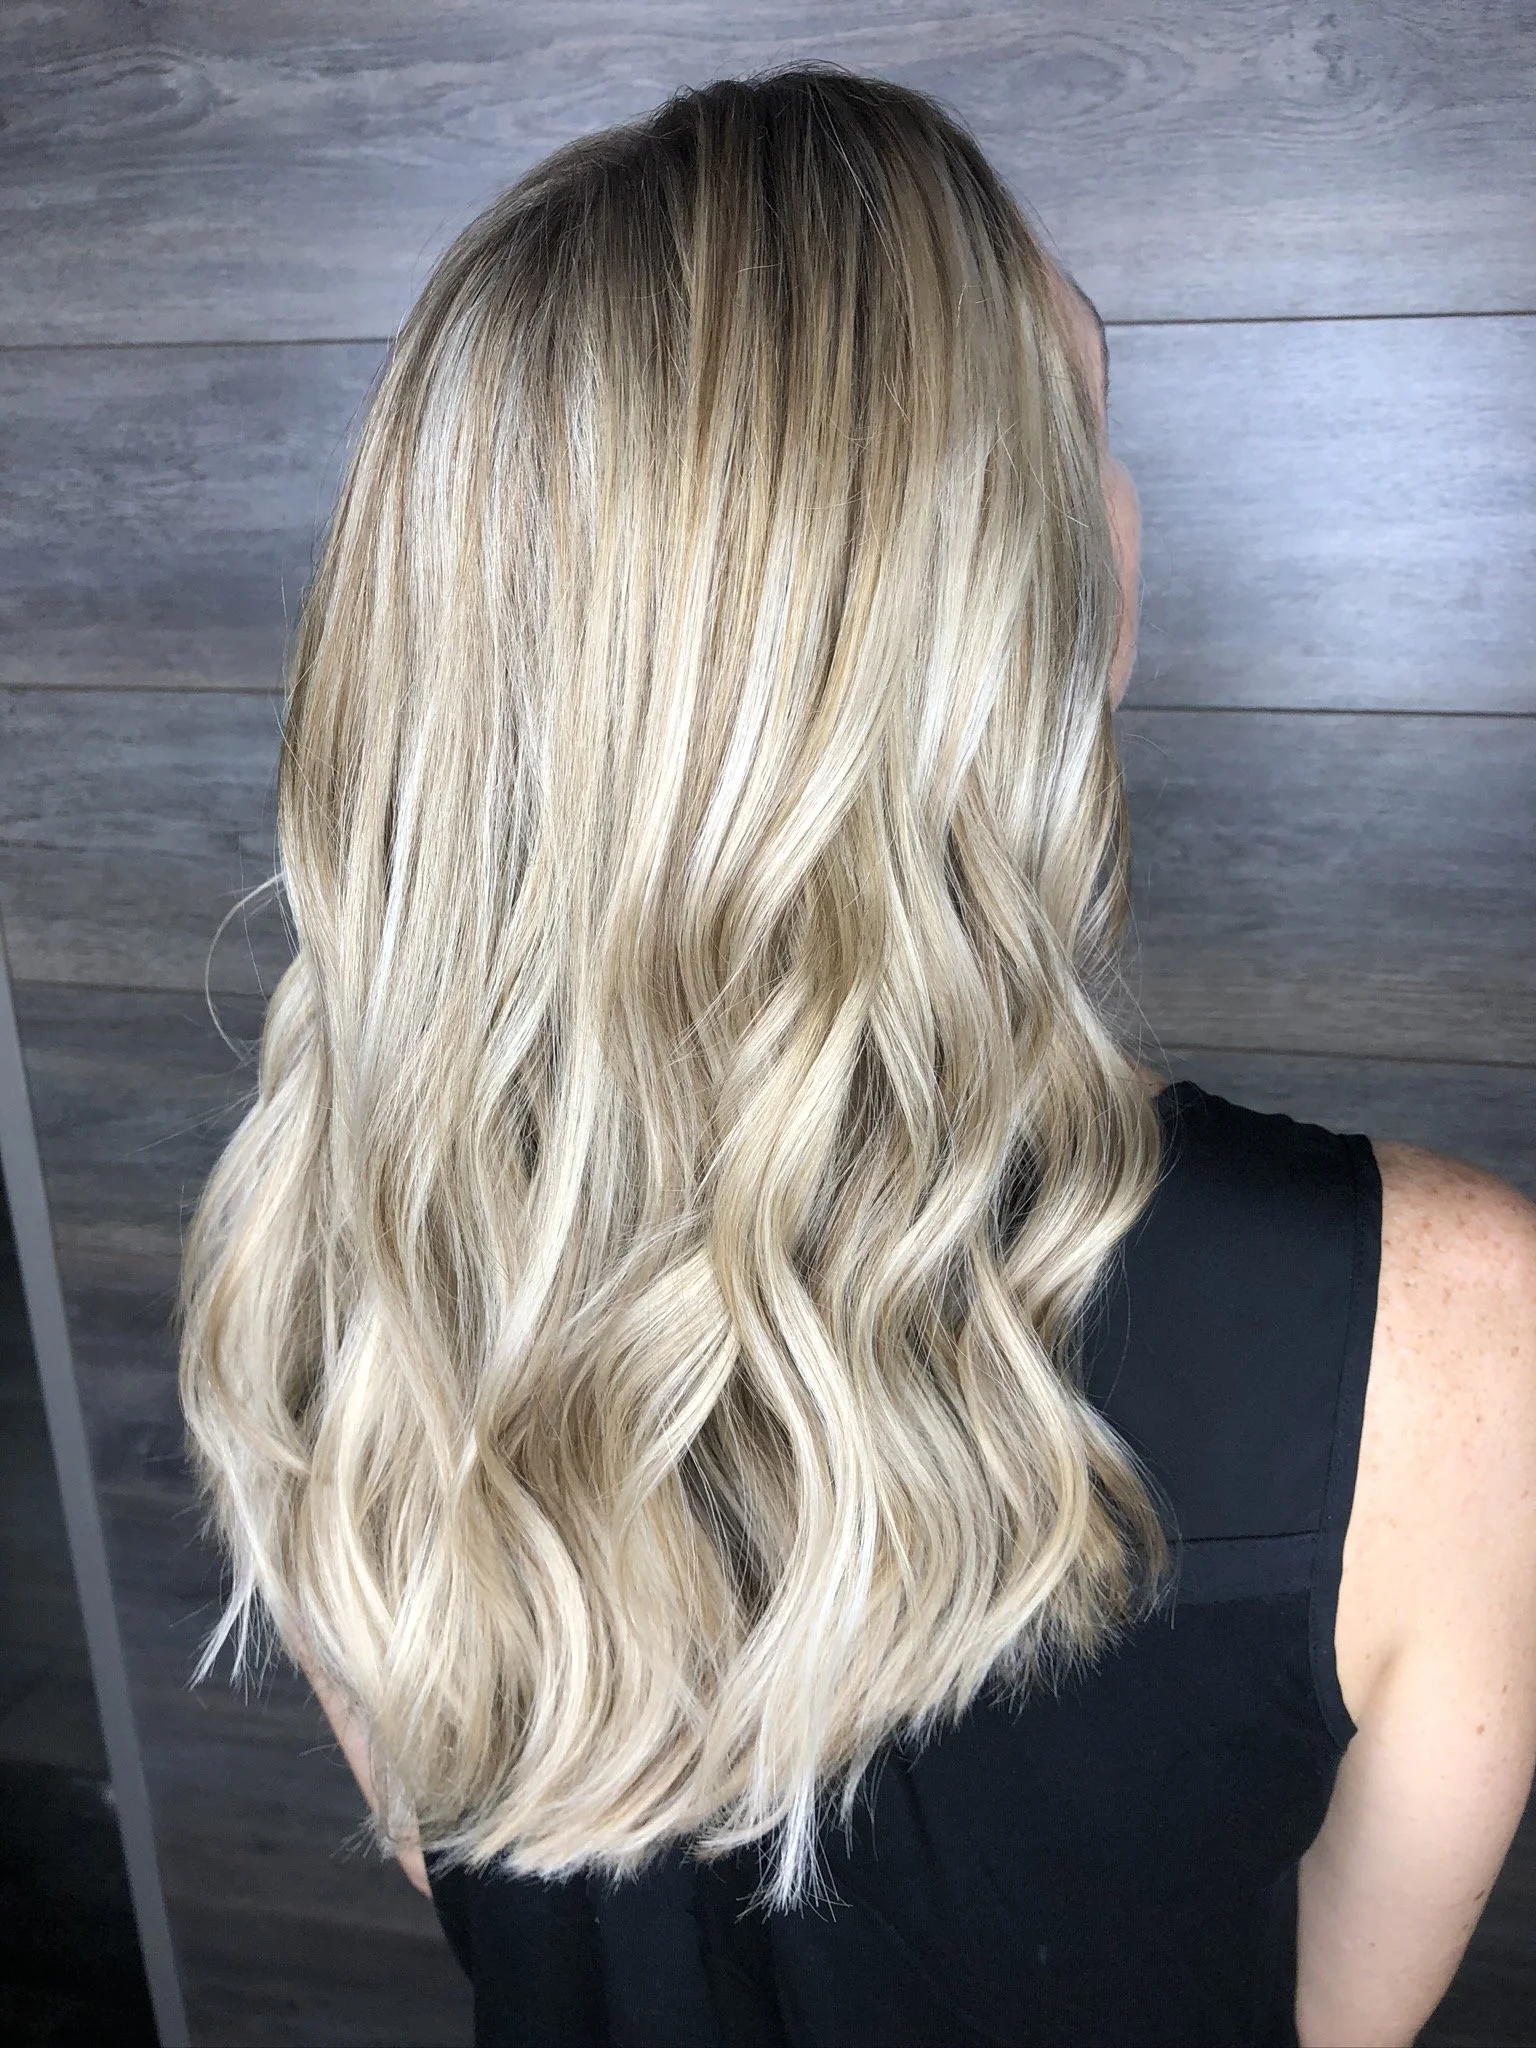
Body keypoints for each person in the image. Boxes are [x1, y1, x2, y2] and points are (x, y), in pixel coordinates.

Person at [175, 64, 1536, 2048]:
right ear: (1003, 600)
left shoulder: (321, 1265)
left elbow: (456, 1844)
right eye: (1085, 432)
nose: (1128, 502)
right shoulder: (1450, 1334)